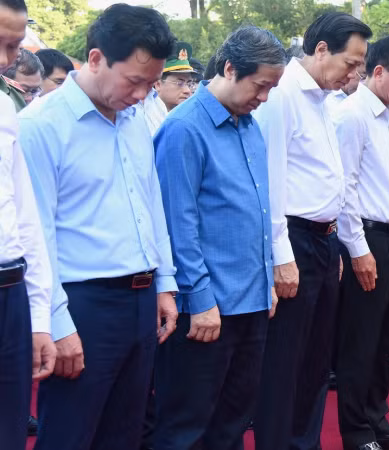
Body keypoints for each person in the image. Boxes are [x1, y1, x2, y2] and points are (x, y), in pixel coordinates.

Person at [19, 5, 179, 449]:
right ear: (95, 59)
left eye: (152, 83)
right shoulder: (40, 126)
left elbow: (152, 206)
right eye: (134, 80)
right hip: (83, 303)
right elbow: (37, 234)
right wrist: (55, 321)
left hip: (140, 298)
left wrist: (164, 283)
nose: (144, 93)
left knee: (125, 433)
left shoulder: (134, 120)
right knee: (71, 433)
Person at [151, 26, 284, 450]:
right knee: (187, 425)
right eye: (260, 86)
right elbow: (178, 222)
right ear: (229, 68)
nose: (264, 98)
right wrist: (200, 297)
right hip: (206, 307)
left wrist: (267, 282)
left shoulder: (250, 126)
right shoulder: (184, 128)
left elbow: (257, 209)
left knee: (232, 420)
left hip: (252, 299)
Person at [252, 12, 372, 450]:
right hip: (294, 242)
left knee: (317, 359)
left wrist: (340, 243)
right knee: (285, 362)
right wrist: (282, 257)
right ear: (321, 49)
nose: (355, 73)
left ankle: (306, 442)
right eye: (351, 62)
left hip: (324, 240)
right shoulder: (282, 95)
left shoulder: (325, 100)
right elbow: (272, 181)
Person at [333, 35, 389, 450]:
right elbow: (345, 188)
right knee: (362, 342)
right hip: (369, 240)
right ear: (377, 71)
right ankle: (356, 432)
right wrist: (358, 250)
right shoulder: (352, 115)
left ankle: (378, 421)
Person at [0, 2, 57, 449]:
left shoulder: (5, 108)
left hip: (11, 293)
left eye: (14, 47)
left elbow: (25, 219)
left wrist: (39, 316)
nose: (5, 59)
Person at [142, 42, 199, 136]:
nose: (187, 90)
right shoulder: (143, 114)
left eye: (189, 83)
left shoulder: (191, 115)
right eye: (180, 83)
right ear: (158, 84)